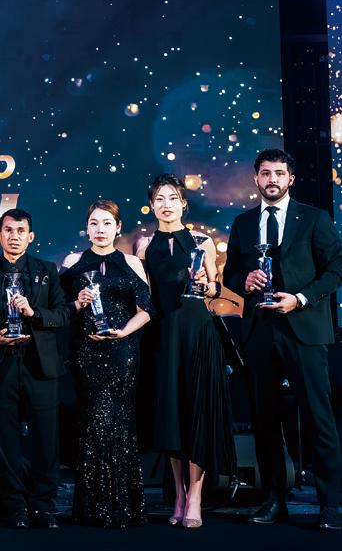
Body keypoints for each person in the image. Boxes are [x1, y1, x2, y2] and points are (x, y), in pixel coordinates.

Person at [223, 149, 342, 530]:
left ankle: (330, 504)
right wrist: (243, 280)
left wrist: (300, 298)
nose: (271, 179)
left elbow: (336, 267)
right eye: (265, 173)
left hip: (304, 328)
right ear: (256, 179)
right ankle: (274, 498)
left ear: (291, 178)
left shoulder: (314, 218)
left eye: (278, 173)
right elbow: (229, 274)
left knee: (319, 418)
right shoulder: (243, 223)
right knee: (264, 418)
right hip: (259, 330)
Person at [134, 174, 235, 528]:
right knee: (171, 417)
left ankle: (195, 496)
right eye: (160, 198)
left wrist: (207, 285)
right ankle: (177, 493)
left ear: (183, 204)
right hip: (162, 337)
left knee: (197, 414)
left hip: (197, 333)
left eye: (173, 198)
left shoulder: (202, 242)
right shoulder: (144, 246)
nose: (167, 204)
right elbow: (146, 296)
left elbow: (214, 289)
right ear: (152, 205)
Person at [0, 208, 69, 529]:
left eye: (20, 231)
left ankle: (43, 505)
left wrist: (33, 312)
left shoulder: (47, 270)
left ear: (31, 237)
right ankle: (15, 506)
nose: (14, 237)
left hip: (40, 366)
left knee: (46, 441)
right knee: (6, 442)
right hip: (1, 366)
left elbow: (62, 315)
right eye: (8, 230)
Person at [61, 199, 152, 529]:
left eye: (107, 223)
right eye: (94, 223)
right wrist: (77, 302)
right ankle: (92, 508)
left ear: (118, 227)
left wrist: (123, 332)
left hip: (122, 354)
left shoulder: (132, 262)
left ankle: (123, 508)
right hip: (86, 354)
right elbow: (59, 310)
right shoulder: (73, 262)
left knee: (120, 423)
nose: (100, 229)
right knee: (92, 424)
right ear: (87, 228)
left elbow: (146, 310)